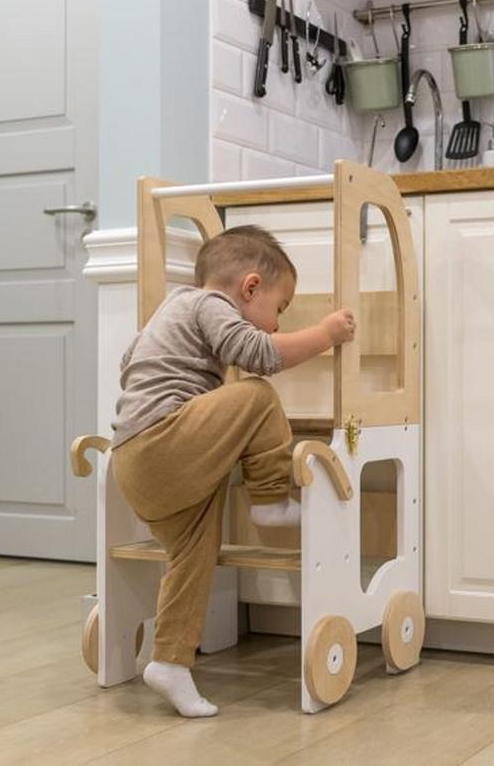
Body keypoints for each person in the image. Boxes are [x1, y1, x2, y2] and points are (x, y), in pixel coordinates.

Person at [109, 224, 355, 717]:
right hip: (162, 441)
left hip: (134, 461)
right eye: (278, 310)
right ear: (249, 288)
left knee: (192, 556)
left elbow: (127, 362)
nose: (277, 325)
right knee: (258, 396)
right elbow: (260, 356)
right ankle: (268, 502)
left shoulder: (171, 311)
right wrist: (326, 335)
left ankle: (170, 663)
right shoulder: (209, 305)